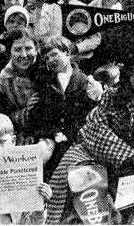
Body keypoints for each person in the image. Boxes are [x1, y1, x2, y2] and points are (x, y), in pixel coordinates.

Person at [46, 53, 134, 224]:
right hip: (96, 155)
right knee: (77, 183)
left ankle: (133, 218)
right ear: (127, 76)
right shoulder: (112, 96)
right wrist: (128, 157)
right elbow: (93, 128)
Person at [27, 36, 102, 178]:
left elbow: (91, 116)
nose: (51, 60)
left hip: (79, 141)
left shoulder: (86, 82)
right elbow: (40, 117)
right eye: (47, 58)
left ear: (67, 53)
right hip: (53, 141)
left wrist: (98, 97)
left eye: (54, 54)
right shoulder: (46, 84)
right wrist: (53, 133)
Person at [0, 29, 39, 130]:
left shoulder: (49, 67)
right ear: (10, 52)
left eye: (28, 48)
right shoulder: (5, 80)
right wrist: (27, 111)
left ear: (36, 50)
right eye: (17, 49)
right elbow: (4, 117)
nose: (24, 55)